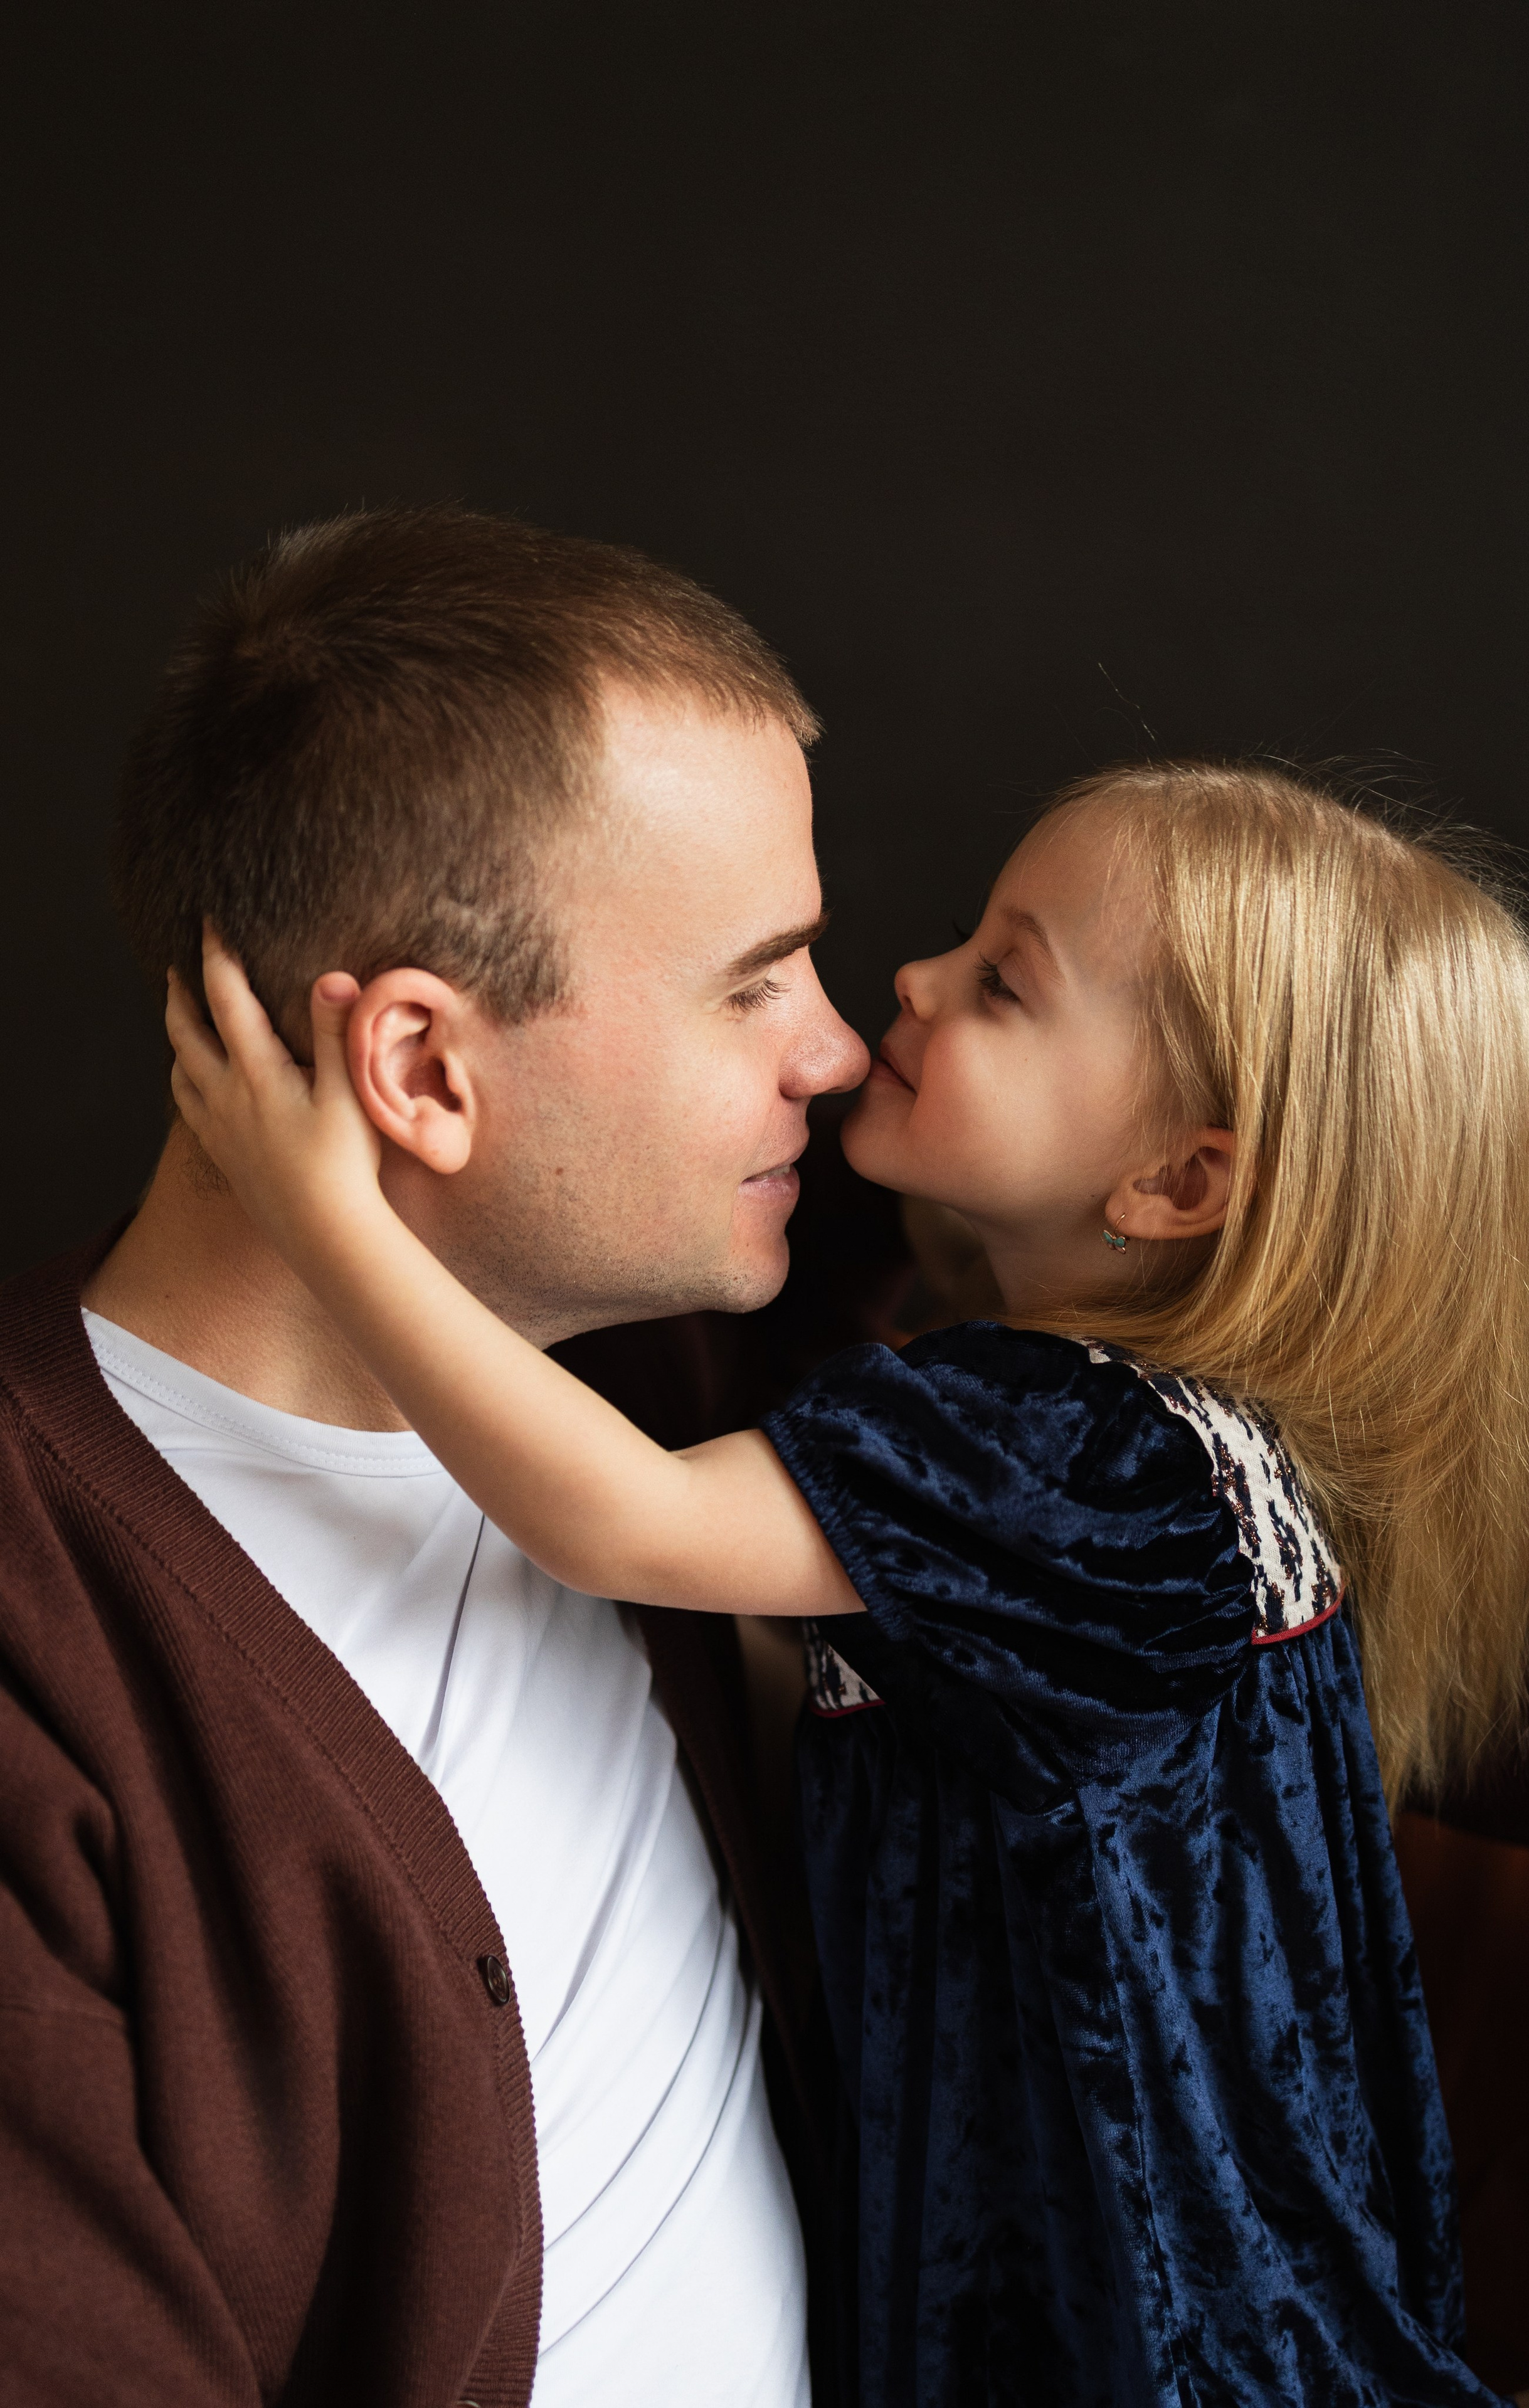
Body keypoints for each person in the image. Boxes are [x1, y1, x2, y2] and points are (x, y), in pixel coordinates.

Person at [168, 761, 1529, 2408]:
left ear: (1176, 1183)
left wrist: (324, 1208)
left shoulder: (1073, 1452)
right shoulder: (1153, 1439)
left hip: (1143, 2317)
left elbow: (625, 1520)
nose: (908, 984)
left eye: (1004, 984)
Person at [0, 507, 870, 2405]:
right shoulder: (39, 1632)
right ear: (419, 1072)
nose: (838, 1055)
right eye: (756, 983)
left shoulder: (685, 1356)